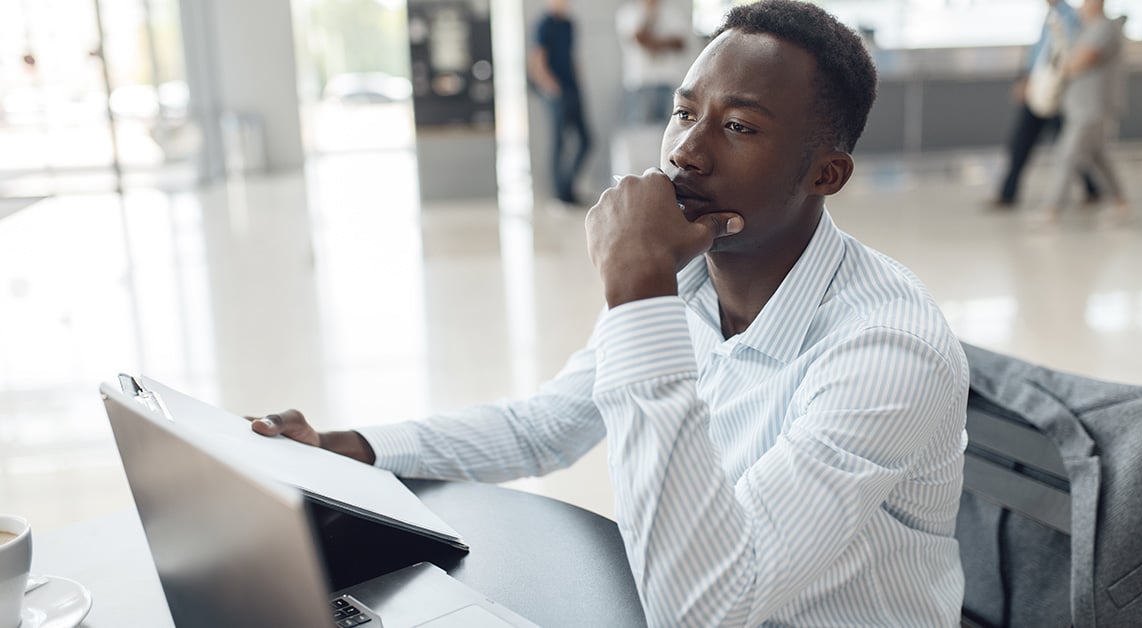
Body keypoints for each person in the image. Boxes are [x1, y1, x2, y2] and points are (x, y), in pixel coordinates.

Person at [252, 1, 969, 624]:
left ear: (826, 174)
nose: (686, 151)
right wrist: (350, 446)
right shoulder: (692, 288)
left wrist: (638, 288)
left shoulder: (886, 349)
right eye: (685, 112)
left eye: (740, 128)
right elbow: (544, 427)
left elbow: (706, 608)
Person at [993, 0, 1099, 209]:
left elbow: (1065, 55)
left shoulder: (1070, 18)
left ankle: (1092, 189)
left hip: (1056, 94)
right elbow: (1038, 54)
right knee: (1021, 142)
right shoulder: (1049, 17)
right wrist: (1026, 79)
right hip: (1039, 90)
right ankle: (1007, 193)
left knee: (1068, 147)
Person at [1042, 0, 1130, 223]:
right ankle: (1121, 203)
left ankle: (1051, 210)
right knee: (1099, 156)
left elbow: (1078, 62)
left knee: (1066, 156)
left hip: (1093, 108)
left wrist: (1061, 65)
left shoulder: (1104, 28)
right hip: (1079, 106)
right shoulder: (1084, 29)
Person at [528, 0, 591, 205]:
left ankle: (567, 188)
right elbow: (537, 61)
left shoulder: (569, 24)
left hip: (573, 89)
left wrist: (578, 85)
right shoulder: (543, 25)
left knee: (586, 140)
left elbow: (572, 57)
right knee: (559, 143)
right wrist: (552, 88)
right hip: (556, 92)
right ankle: (560, 194)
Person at [616, 0, 692, 126]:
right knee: (639, 130)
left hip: (667, 81)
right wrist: (650, 15)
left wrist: (653, 44)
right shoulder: (628, 12)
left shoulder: (673, 12)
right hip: (639, 83)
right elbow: (639, 38)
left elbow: (681, 44)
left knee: (668, 129)